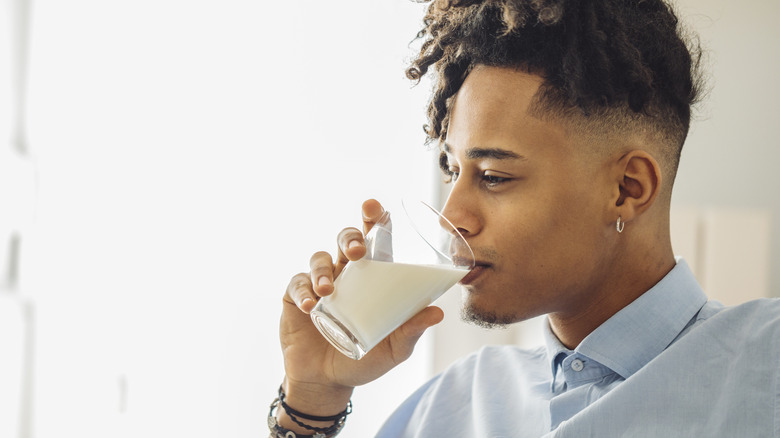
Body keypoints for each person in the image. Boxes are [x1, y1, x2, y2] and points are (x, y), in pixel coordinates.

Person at [272, 0, 780, 437]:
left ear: (628, 190)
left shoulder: (766, 364)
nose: (454, 216)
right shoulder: (452, 407)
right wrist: (313, 400)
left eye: (493, 176)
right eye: (453, 169)